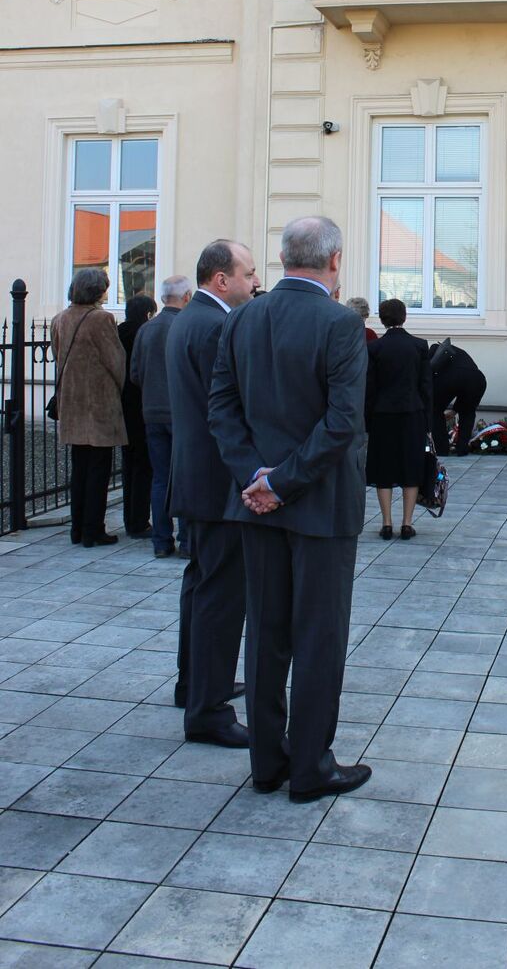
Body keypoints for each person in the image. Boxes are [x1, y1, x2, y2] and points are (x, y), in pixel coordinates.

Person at [208, 216, 371, 803]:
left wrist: (256, 477)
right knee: (319, 637)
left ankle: (267, 762)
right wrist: (281, 482)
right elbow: (342, 423)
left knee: (267, 633)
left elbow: (221, 409)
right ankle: (310, 766)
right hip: (319, 506)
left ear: (281, 259)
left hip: (257, 502)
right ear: (334, 261)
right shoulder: (340, 323)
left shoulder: (244, 316)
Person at [167, 240, 259, 747]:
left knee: (201, 588)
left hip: (199, 478)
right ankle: (209, 710)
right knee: (220, 597)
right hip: (217, 483)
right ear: (221, 279)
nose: (254, 282)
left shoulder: (191, 318)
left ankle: (197, 684)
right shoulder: (214, 325)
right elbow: (227, 408)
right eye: (248, 273)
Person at [50, 267, 127, 547]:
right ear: (98, 290)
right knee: (98, 470)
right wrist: (119, 389)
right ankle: (93, 530)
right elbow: (116, 361)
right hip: (98, 403)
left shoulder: (60, 319)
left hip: (71, 402)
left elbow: (57, 355)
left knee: (79, 468)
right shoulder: (101, 319)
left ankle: (77, 528)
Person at [131, 275, 192, 558]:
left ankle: (161, 540)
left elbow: (134, 373)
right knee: (185, 476)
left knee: (160, 478)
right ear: (186, 296)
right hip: (180, 413)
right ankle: (188, 539)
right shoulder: (185, 326)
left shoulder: (147, 329)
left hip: (152, 412)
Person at [366, 299, 432, 540]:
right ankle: (407, 523)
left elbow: (369, 388)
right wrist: (428, 421)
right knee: (411, 466)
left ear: (382, 320)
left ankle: (386, 523)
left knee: (383, 466)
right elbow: (426, 387)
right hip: (413, 413)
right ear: (404, 317)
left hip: (382, 415)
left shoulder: (374, 348)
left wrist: (367, 420)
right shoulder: (419, 346)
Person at [118, 294, 156, 538]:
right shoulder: (145, 333)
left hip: (121, 403)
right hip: (141, 403)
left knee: (128, 464)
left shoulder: (117, 332)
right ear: (147, 313)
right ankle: (139, 520)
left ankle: (129, 518)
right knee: (143, 466)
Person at [429, 340, 487, 457]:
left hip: (451, 378)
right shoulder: (459, 353)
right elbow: (465, 382)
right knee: (468, 413)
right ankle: (462, 449)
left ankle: (441, 449)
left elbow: (430, 376)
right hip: (478, 378)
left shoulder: (433, 353)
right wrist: (455, 409)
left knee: (435, 411)